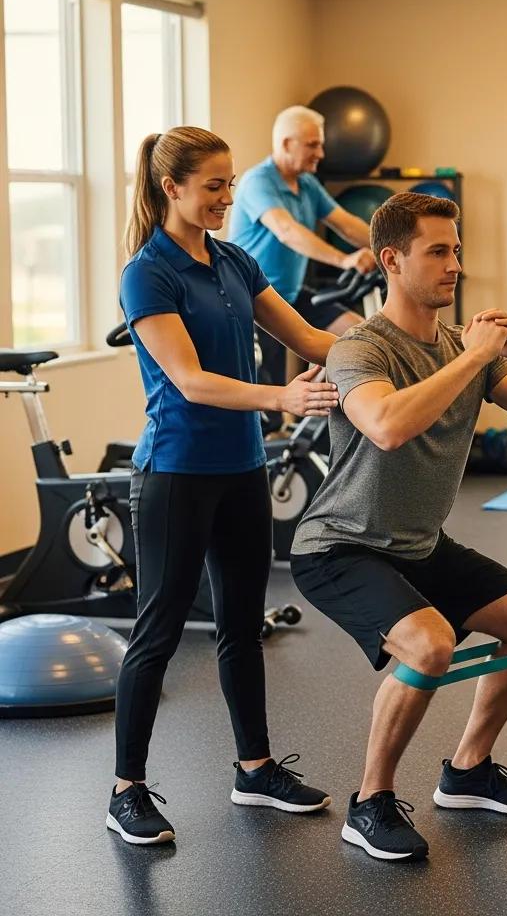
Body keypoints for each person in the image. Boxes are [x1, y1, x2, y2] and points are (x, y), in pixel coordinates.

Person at [289, 191, 507, 862]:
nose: (454, 266)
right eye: (439, 252)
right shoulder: (359, 348)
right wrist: (474, 359)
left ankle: (468, 771)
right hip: (339, 547)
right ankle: (369, 803)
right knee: (430, 646)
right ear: (392, 259)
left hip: (418, 543)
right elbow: (387, 427)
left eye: (457, 251)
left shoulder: (454, 346)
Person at [108, 126, 339, 847]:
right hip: (177, 471)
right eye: (212, 184)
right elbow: (190, 380)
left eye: (230, 183)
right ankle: (126, 790)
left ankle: (255, 768)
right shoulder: (148, 272)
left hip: (243, 467)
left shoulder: (235, 260)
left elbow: (309, 338)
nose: (225, 197)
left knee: (243, 626)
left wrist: (409, 341)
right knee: (160, 630)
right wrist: (279, 401)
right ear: (169, 187)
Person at [229, 104, 377, 389]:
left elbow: (346, 224)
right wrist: (344, 260)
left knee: (360, 336)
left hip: (292, 295)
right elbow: (287, 231)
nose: (320, 154)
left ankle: (330, 406)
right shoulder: (258, 181)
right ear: (286, 143)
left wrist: (394, 249)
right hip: (255, 300)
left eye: (320, 145)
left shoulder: (307, 184)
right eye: (313, 145)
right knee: (268, 405)